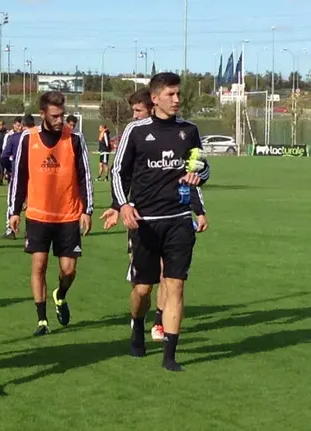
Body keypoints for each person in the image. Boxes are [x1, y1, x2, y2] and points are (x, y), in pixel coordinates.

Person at [110, 72, 210, 371]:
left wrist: (198, 177)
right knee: (143, 288)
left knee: (176, 286)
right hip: (145, 222)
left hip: (179, 219)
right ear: (155, 98)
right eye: (171, 94)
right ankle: (138, 325)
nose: (177, 99)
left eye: (178, 94)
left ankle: (170, 356)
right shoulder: (136, 131)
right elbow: (118, 173)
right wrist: (124, 205)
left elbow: (203, 169)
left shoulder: (190, 130)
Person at [8, 91, 93, 336]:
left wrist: (86, 210)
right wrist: (13, 211)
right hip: (37, 215)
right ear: (42, 114)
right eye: (55, 116)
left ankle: (61, 295)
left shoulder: (74, 139)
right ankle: (42, 320)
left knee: (69, 270)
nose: (60, 120)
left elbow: (84, 176)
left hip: (68, 215)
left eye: (62, 115)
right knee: (39, 265)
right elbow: (19, 177)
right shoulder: (27, 138)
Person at [1, 115, 33, 240]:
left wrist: (9, 169)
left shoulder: (15, 138)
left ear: (23, 124)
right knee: (32, 204)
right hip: (35, 177)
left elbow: (4, 157)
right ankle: (30, 231)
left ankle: (11, 230)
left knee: (13, 201)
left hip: (17, 175)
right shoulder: (38, 137)